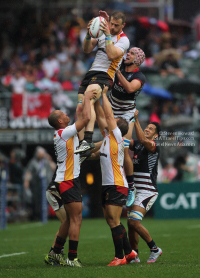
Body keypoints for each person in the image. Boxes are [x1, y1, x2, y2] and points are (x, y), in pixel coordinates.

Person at [45, 90, 96, 267]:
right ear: (60, 121)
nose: (67, 115)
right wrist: (88, 98)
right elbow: (86, 119)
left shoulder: (64, 133)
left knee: (69, 219)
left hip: (67, 179)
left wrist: (82, 102)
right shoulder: (64, 132)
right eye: (64, 114)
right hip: (67, 181)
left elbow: (80, 114)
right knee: (76, 219)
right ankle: (72, 258)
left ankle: (55, 252)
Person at [75, 10, 130, 154]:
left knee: (88, 99)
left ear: (123, 25)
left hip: (105, 75)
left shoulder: (124, 40)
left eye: (116, 25)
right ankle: (82, 148)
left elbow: (111, 54)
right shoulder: (103, 33)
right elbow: (86, 49)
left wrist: (107, 34)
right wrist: (89, 33)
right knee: (79, 109)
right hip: (91, 73)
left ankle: (88, 139)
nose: (112, 27)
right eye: (111, 23)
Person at [95, 86, 137, 266]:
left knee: (114, 221)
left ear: (117, 125)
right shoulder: (107, 138)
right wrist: (94, 100)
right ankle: (129, 252)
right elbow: (100, 117)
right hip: (108, 184)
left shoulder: (118, 135)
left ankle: (119, 257)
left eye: (113, 120)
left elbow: (109, 116)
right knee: (111, 220)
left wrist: (104, 95)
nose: (110, 121)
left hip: (117, 183)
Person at [108, 47, 146, 208]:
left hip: (127, 113)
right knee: (109, 148)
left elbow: (130, 88)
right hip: (111, 109)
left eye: (131, 53)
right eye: (128, 52)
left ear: (137, 59)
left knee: (123, 148)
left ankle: (131, 187)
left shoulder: (139, 76)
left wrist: (117, 73)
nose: (127, 54)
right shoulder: (120, 67)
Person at [127, 110, 162, 263]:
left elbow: (140, 138)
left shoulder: (153, 145)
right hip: (136, 191)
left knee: (134, 222)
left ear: (156, 136)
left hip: (148, 190)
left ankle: (155, 249)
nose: (147, 129)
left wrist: (135, 119)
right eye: (146, 127)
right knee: (131, 224)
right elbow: (126, 141)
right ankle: (134, 255)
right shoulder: (139, 146)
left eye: (151, 129)